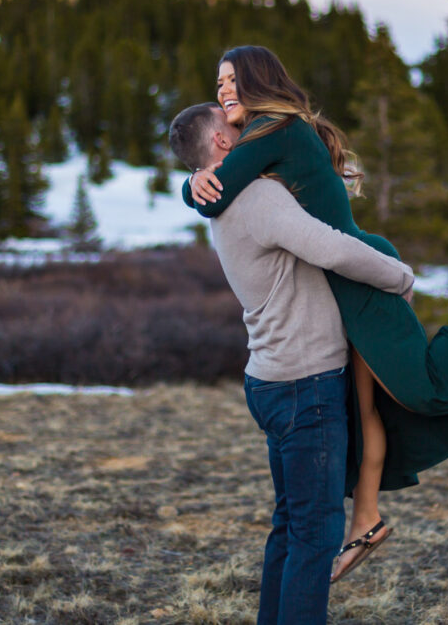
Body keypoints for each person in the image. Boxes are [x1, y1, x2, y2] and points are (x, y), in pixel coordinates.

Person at [183, 45, 448, 582]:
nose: (221, 91)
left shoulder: (273, 129)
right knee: (366, 413)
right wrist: (193, 180)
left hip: (360, 277)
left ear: (258, 80)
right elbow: (219, 187)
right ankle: (367, 518)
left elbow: (216, 195)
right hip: (340, 286)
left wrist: (194, 183)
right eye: (217, 84)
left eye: (229, 80)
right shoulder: (272, 135)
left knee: (422, 389)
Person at [168, 101, 417, 625]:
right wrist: (397, 277)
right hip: (306, 385)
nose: (246, 127)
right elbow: (328, 246)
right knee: (317, 534)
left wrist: (192, 184)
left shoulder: (222, 197)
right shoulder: (256, 195)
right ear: (220, 144)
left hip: (271, 379)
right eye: (233, 124)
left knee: (290, 525)